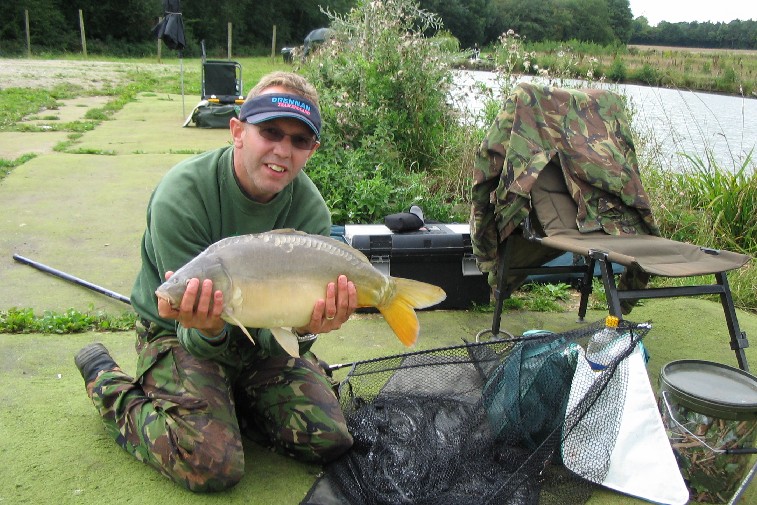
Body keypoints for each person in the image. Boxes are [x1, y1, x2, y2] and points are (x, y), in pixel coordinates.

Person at [74, 71, 358, 492]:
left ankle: (232, 399)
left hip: (259, 336)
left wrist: (306, 330)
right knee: (211, 464)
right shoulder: (182, 195)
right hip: (176, 331)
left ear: (311, 150)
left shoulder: (310, 212)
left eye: (300, 141)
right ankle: (107, 383)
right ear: (237, 130)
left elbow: (284, 331)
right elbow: (183, 318)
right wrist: (208, 329)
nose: (283, 150)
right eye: (270, 131)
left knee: (329, 438)